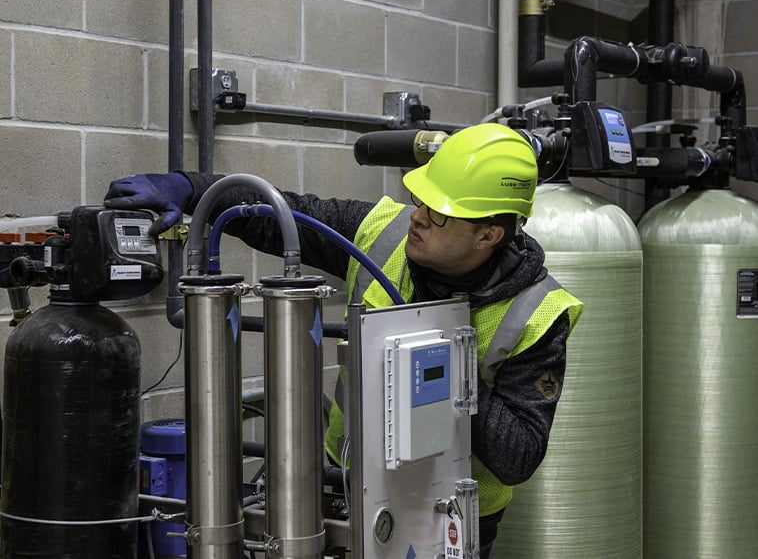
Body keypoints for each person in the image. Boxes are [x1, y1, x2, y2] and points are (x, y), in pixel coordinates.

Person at [104, 122, 583, 556]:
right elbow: (284, 216)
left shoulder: (536, 313)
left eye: (438, 214)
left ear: (489, 235)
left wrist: (443, 360)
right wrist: (191, 189)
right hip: (343, 488)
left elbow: (519, 454)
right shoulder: (384, 233)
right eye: (420, 200)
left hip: (449, 516)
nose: (417, 217)